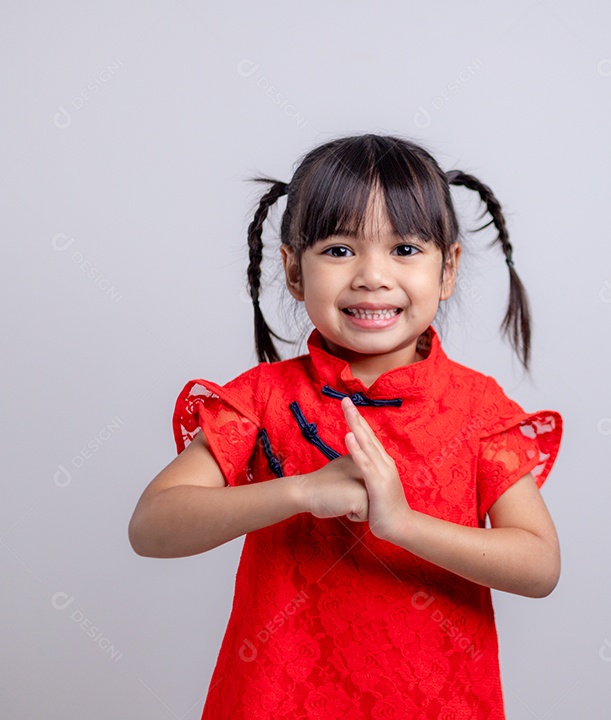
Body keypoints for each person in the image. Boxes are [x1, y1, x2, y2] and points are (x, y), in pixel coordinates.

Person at [128, 134, 563, 719]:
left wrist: (403, 524)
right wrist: (301, 491)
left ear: (449, 268)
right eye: (339, 249)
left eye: (405, 249)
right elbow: (152, 527)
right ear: (293, 270)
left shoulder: (477, 409)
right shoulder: (261, 401)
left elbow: (539, 566)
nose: (372, 276)